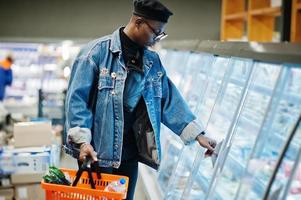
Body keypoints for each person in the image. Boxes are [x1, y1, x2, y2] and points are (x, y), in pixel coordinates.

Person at [65, 0, 216, 199]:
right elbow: (77, 102)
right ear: (138, 22)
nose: (157, 39)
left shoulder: (152, 62)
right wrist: (82, 141)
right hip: (97, 154)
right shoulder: (95, 54)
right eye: (156, 32)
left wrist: (198, 135)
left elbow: (167, 99)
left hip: (129, 154)